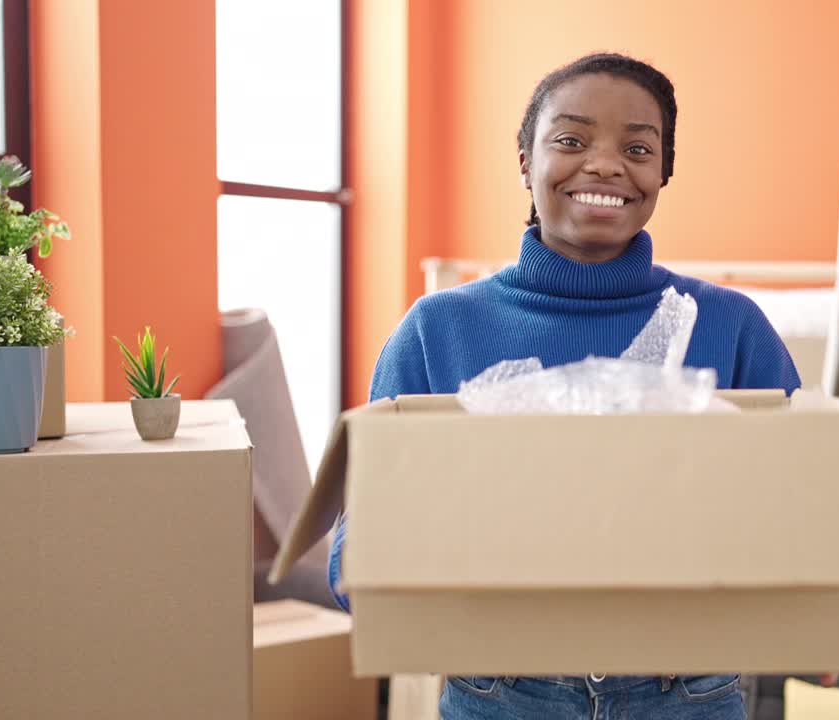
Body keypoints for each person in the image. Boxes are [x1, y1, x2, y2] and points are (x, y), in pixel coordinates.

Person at [331, 52, 813, 719]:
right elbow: (358, 530)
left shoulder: (728, 327)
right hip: (501, 692)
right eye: (571, 140)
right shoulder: (437, 329)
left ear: (663, 173)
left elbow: (803, 505)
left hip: (684, 695)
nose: (606, 164)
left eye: (638, 147)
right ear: (524, 160)